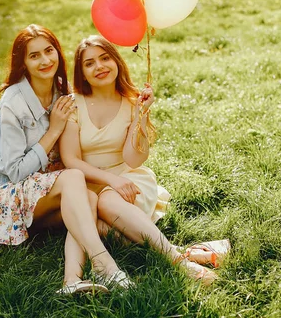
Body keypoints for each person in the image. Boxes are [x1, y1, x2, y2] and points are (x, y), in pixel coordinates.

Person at [0, 25, 131, 294]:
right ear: (23, 64)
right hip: (7, 196)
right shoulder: (12, 103)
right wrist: (53, 130)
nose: (45, 61)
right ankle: (105, 266)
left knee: (90, 200)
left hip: (49, 193)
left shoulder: (62, 91)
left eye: (49, 51)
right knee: (75, 179)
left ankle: (71, 281)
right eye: (34, 56)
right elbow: (16, 173)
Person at [60, 35, 219, 285]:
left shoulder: (132, 101)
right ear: (82, 72)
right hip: (89, 183)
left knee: (108, 201)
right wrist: (108, 179)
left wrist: (140, 116)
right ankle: (182, 250)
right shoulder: (73, 105)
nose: (99, 66)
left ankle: (178, 262)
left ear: (116, 61)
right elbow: (71, 160)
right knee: (97, 225)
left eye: (105, 58)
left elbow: (133, 159)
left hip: (127, 179)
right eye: (89, 63)